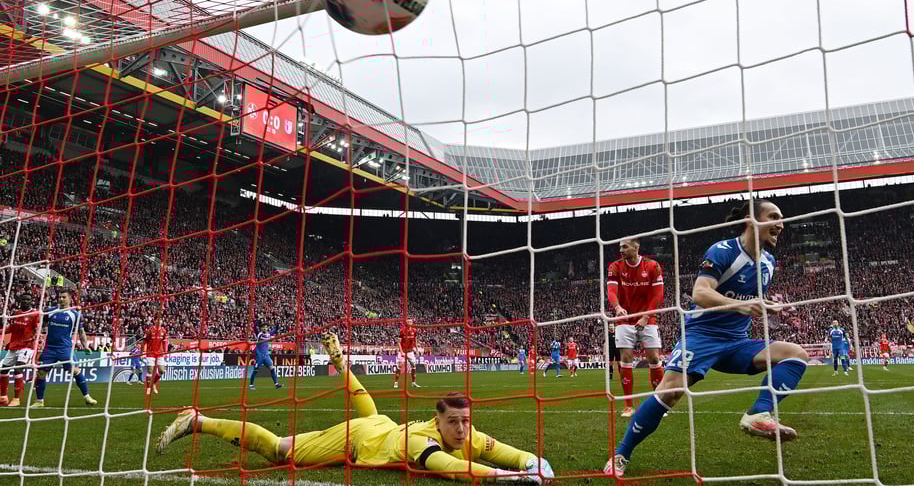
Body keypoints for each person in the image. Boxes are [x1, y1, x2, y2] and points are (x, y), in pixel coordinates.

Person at [156, 333, 555, 484]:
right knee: (278, 450)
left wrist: (531, 461)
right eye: (454, 423)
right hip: (360, 439)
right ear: (439, 422)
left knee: (373, 412)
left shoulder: (468, 434)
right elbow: (447, 468)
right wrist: (507, 478)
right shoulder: (424, 442)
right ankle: (198, 421)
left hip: (382, 425)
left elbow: (501, 450)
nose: (462, 430)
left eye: (465, 422)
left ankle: (341, 362)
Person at [605, 199, 808, 478]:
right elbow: (700, 293)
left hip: (737, 342)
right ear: (751, 220)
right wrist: (742, 305)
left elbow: (749, 300)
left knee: (796, 354)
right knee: (669, 393)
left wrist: (763, 305)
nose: (781, 224)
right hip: (701, 336)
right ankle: (621, 454)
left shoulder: (768, 263)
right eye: (774, 217)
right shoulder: (723, 251)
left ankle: (758, 414)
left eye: (781, 218)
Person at [606, 238, 665, 417]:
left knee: (654, 358)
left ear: (636, 247)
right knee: (625, 358)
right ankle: (628, 406)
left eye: (625, 247)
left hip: (648, 318)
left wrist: (646, 316)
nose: (621, 250)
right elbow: (611, 291)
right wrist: (617, 307)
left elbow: (658, 294)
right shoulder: (615, 267)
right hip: (624, 319)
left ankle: (659, 405)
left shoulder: (653, 266)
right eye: (620, 247)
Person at [31, 291, 97, 407]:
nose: (61, 299)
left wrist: (85, 346)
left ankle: (87, 397)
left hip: (65, 348)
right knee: (41, 373)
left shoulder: (74, 314)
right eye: (60, 297)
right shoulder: (50, 311)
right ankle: (39, 401)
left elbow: (81, 331)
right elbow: (42, 325)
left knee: (75, 371)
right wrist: (37, 334)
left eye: (64, 297)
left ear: (70, 299)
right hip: (49, 348)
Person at [0, 298, 39, 407]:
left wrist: (35, 337)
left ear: (31, 302)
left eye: (28, 300)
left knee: (18, 369)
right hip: (14, 346)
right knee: (3, 370)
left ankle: (16, 399)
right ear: (20, 302)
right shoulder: (16, 313)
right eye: (23, 300)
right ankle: (3, 397)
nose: (25, 302)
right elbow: (11, 328)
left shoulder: (35, 314)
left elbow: (38, 329)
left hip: (27, 347)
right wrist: (1, 331)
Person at [249, 323, 283, 390]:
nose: (265, 328)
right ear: (261, 328)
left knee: (272, 368)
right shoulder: (259, 334)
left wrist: (277, 325)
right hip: (259, 355)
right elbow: (255, 328)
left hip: (266, 355)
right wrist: (256, 322)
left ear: (267, 328)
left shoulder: (269, 334)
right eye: (263, 327)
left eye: (266, 327)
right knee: (256, 370)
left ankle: (276, 384)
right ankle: (251, 385)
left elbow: (275, 330)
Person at [143, 318, 169, 396]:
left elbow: (165, 343)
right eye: (158, 320)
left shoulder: (163, 331)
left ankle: (153, 383)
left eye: (160, 320)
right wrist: (143, 352)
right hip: (150, 353)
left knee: (162, 370)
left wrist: (165, 352)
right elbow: (144, 341)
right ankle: (148, 388)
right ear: (155, 321)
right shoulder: (150, 330)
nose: (159, 321)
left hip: (160, 353)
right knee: (150, 370)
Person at [394, 318, 421, 389]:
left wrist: (417, 350)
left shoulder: (414, 330)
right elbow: (398, 342)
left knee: (414, 366)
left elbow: (415, 341)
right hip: (402, 351)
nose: (409, 322)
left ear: (412, 323)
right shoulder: (402, 331)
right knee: (399, 366)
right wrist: (401, 352)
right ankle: (396, 382)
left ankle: (413, 383)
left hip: (410, 352)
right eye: (408, 321)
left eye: (410, 321)